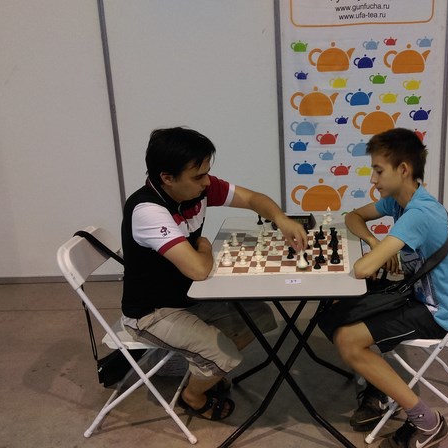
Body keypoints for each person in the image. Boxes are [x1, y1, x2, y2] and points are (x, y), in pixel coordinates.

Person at [120, 127, 308, 421]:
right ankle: (192, 396)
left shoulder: (199, 189)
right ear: (167, 178)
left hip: (188, 297)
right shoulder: (148, 210)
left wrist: (281, 219)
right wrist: (204, 247)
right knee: (226, 356)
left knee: (260, 315)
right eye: (198, 176)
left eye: (207, 173)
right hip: (152, 312)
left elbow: (253, 198)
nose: (207, 182)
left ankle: (202, 366)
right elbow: (198, 269)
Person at [334, 128, 448, 448]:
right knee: (337, 311)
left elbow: (363, 269)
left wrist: (379, 254)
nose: (373, 179)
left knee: (347, 338)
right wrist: (374, 242)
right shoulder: (401, 201)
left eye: (378, 170)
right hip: (420, 295)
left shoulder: (419, 214)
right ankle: (379, 387)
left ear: (403, 170)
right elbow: (352, 216)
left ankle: (428, 423)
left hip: (440, 313)